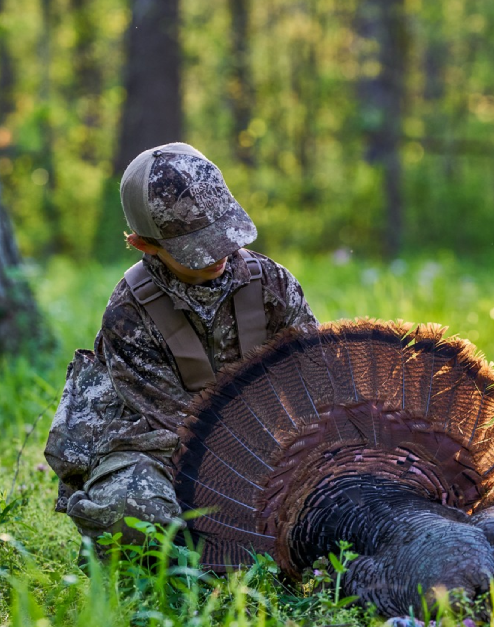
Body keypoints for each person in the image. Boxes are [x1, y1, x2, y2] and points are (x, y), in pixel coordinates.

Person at [46, 142, 318, 545]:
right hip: (161, 450)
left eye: (222, 232)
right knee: (132, 511)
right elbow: (174, 426)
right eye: (196, 245)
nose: (219, 252)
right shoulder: (129, 314)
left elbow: (313, 381)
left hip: (272, 443)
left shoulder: (272, 284)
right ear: (144, 244)